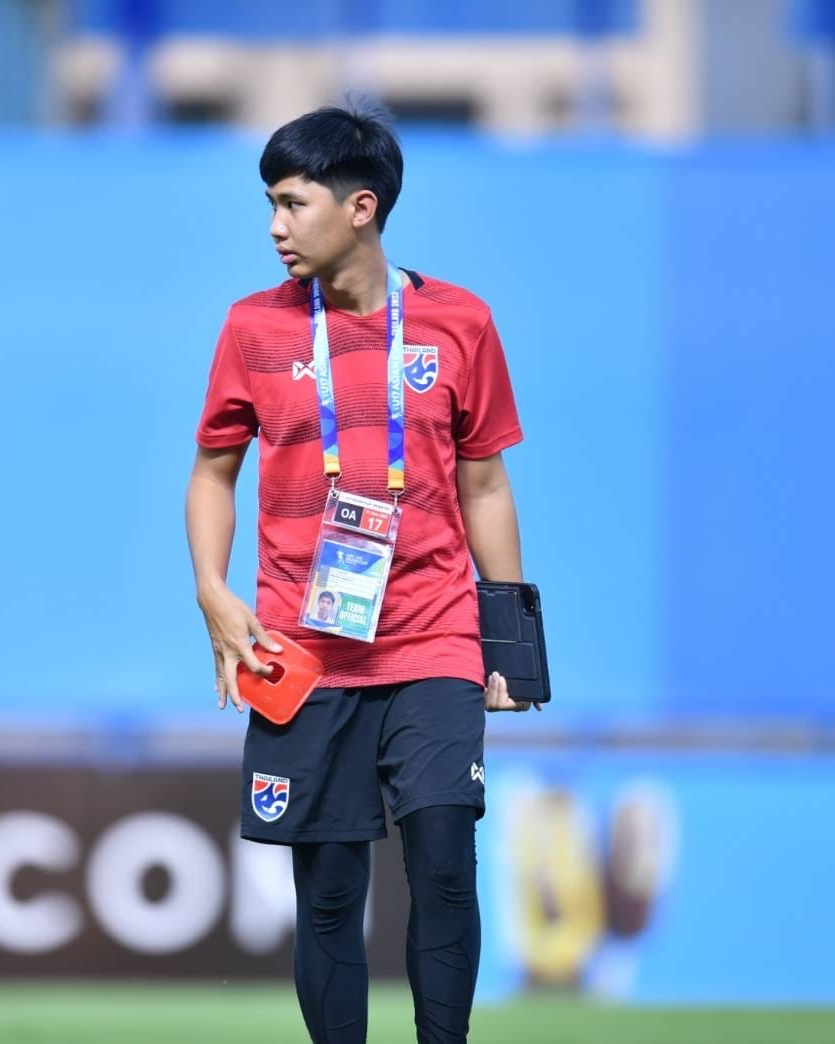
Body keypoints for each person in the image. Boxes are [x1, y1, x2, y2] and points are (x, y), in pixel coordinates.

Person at [185, 100, 532, 1044]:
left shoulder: (460, 322)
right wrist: (213, 592)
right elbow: (213, 474)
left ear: (361, 207)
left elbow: (485, 483)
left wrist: (510, 646)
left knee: (445, 860)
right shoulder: (252, 329)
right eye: (270, 203)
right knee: (331, 890)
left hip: (432, 636)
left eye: (292, 203)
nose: (274, 226)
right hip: (301, 648)